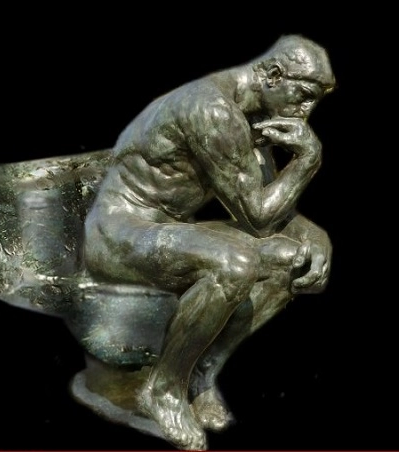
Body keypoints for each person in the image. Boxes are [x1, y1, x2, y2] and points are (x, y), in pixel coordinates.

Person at [84, 34, 335, 450]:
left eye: (315, 102)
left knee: (294, 258)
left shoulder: (254, 116)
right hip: (117, 232)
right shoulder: (213, 109)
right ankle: (163, 389)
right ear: (274, 76)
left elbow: (272, 206)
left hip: (167, 228)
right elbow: (258, 217)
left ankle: (200, 372)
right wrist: (309, 160)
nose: (307, 112)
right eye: (304, 96)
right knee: (235, 263)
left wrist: (315, 235)